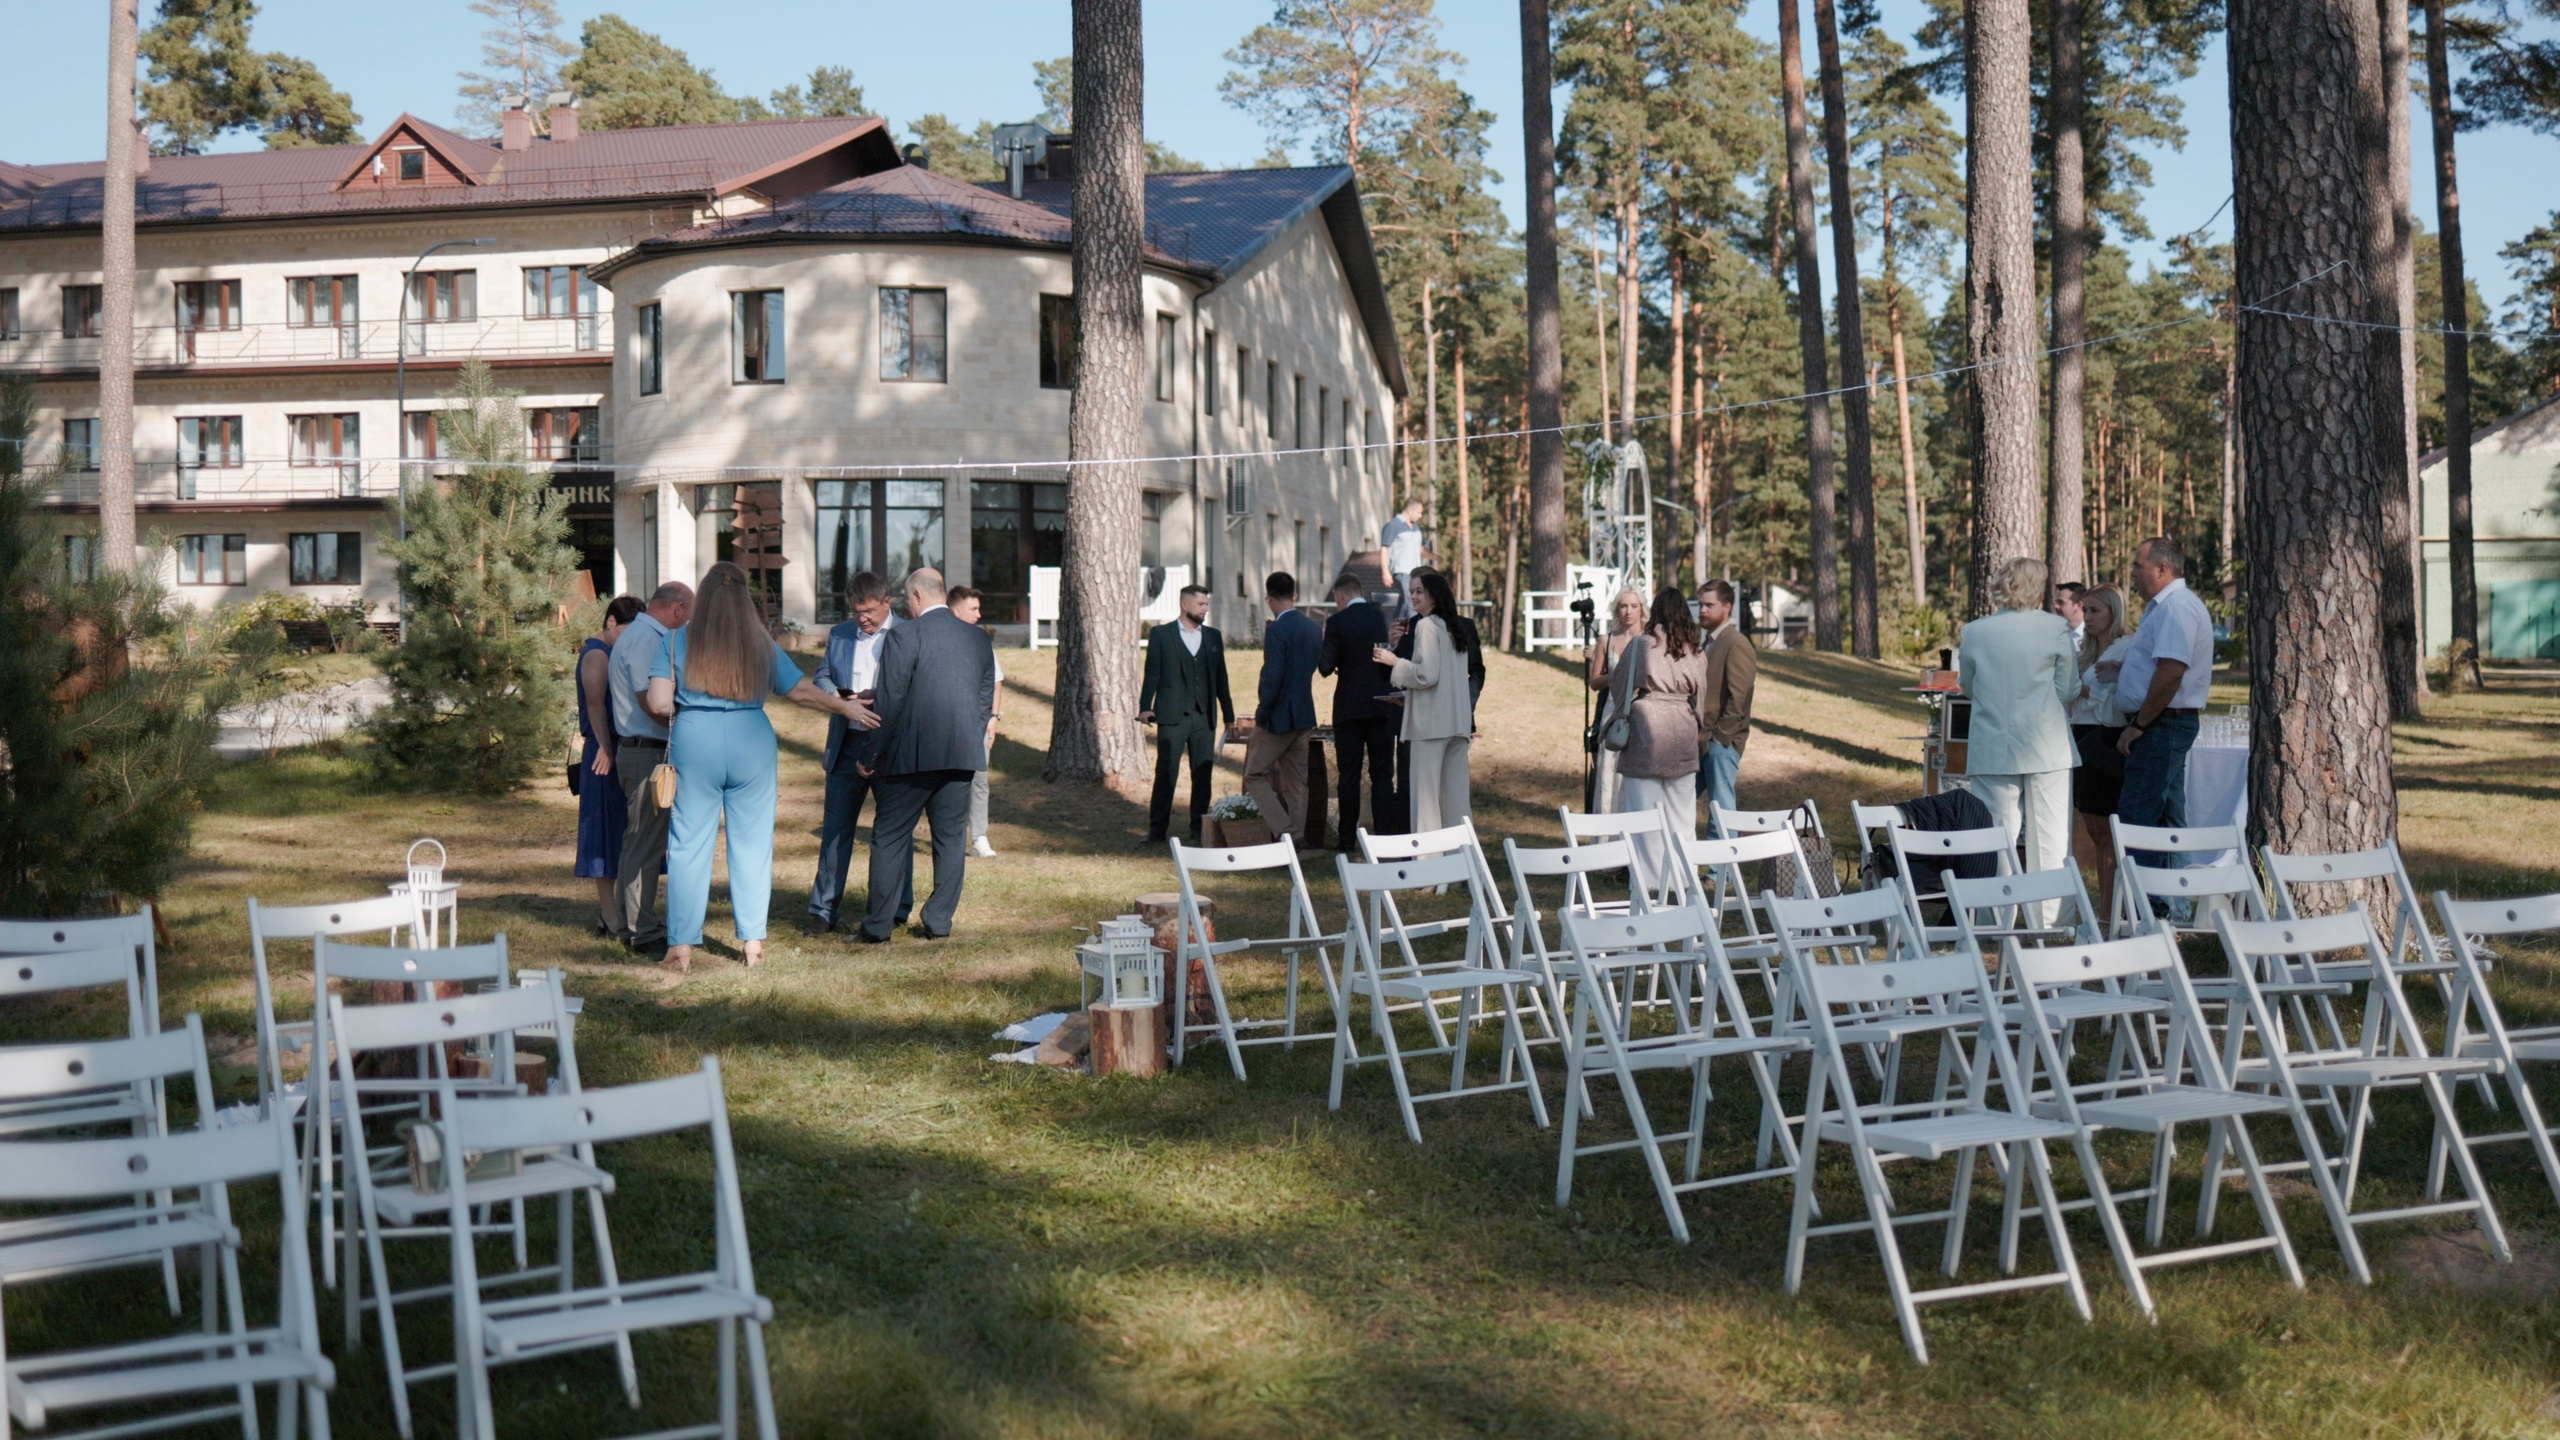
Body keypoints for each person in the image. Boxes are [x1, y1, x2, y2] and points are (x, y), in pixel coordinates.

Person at [647, 563, 871, 973]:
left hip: (696, 741)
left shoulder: (676, 640)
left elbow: (660, 703)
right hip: (752, 740)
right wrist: (844, 705)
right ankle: (752, 942)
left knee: (688, 844)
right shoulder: (761, 643)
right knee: (751, 843)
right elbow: (800, 690)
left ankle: (680, 947)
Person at [859, 568, 998, 943]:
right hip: (961, 753)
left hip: (909, 756)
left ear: (917, 597)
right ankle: (939, 922)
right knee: (951, 839)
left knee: (889, 838)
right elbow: (985, 696)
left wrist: (873, 751)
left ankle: (877, 928)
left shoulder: (905, 633)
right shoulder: (976, 637)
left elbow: (891, 698)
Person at [1957, 556, 2080, 905]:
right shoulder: (2055, 628)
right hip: (2047, 744)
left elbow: (1968, 686)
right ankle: (2052, 918)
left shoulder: (1974, 631)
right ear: (2037, 588)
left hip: (1993, 742)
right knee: (2051, 836)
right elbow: (2069, 689)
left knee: (1997, 837)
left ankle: (1995, 917)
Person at [804, 570, 908, 936]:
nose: (862, 618)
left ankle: (897, 906)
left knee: (894, 832)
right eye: (856, 612)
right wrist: (836, 696)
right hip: (847, 743)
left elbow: (912, 685)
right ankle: (822, 910)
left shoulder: (907, 634)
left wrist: (875, 698)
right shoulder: (840, 635)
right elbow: (822, 677)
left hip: (891, 744)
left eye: (869, 611)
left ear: (887, 603)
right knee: (836, 829)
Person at [2114, 536, 2216, 866]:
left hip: (2161, 723)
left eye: (2138, 566)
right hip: (2162, 721)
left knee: (2139, 814)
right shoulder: (2167, 606)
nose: (2133, 573)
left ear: (2162, 568)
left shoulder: (2176, 607)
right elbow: (2162, 665)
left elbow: (2171, 671)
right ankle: (2168, 902)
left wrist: (2139, 724)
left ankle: (2149, 906)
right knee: (2165, 816)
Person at [608, 580, 693, 954]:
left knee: (638, 842)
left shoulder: (639, 633)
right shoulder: (647, 639)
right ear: (677, 609)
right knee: (645, 842)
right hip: (648, 750)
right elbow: (650, 702)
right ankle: (640, 928)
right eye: (688, 614)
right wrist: (690, 721)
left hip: (640, 748)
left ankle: (631, 922)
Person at [1614, 586, 1713, 882]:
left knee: (1644, 816)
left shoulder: (1642, 645)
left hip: (1646, 731)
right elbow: (1702, 696)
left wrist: (1621, 714)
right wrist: (1694, 720)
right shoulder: (1695, 651)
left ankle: (1648, 883)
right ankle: (1684, 881)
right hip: (1682, 732)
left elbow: (1620, 684)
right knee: (1682, 816)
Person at [1379, 568, 1473, 833]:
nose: (1414, 597)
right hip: (1456, 724)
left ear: (1434, 595)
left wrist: (1395, 662)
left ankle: (1429, 865)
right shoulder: (1454, 627)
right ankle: (1462, 860)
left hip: (1431, 726)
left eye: (1419, 591)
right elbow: (1447, 679)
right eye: (1411, 592)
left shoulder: (1427, 626)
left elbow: (1426, 675)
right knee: (1457, 803)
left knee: (1426, 804)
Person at [1138, 584, 1233, 845]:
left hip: (1204, 717)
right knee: (1166, 772)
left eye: (1206, 604)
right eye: (1201, 604)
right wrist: (1145, 706)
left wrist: (1229, 716)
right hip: (1172, 716)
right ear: (1185, 605)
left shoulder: (1213, 637)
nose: (1206, 609)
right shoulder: (1161, 634)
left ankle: (1198, 828)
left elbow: (1221, 678)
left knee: (1202, 774)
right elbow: (1152, 673)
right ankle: (1157, 830)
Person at [575, 596, 643, 937]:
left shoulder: (618, 651)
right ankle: (610, 915)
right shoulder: (597, 654)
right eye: (626, 631)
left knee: (628, 832)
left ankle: (629, 911)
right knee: (604, 832)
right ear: (611, 622)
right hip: (605, 752)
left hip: (622, 746)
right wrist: (604, 747)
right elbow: (594, 703)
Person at [2068, 584, 2136, 919]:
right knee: (2094, 830)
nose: (2088, 617)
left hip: (2105, 737)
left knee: (2110, 829)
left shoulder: (2126, 648)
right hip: (2080, 735)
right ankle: (2106, 905)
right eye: (2086, 610)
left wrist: (2079, 690)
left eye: (2096, 611)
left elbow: (2121, 699)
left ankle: (2113, 910)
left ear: (2113, 611)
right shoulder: (2087, 649)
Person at [1319, 572, 1399, 847]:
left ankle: (1345, 840)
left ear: (1341, 596)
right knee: (1382, 774)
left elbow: (1325, 667)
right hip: (1380, 704)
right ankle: (1385, 837)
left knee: (1349, 775)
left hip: (1349, 708)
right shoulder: (1379, 618)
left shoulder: (1336, 622)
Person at [1245, 571, 1321, 846]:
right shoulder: (1314, 628)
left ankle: (1285, 830)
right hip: (1304, 712)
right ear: (1295, 596)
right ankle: (1298, 837)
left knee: (1254, 774)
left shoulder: (1276, 629)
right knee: (1297, 782)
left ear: (1269, 598)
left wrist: (1263, 711)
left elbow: (1272, 676)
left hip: (1278, 716)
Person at [1694, 579, 1757, 823]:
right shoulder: (1708, 643)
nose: (1702, 610)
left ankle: (1724, 862)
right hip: (1700, 741)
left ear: (1727, 607)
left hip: (1720, 744)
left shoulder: (1736, 643)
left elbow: (1739, 698)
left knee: (1721, 815)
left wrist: (1720, 739)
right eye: (1700, 605)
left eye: (1709, 605)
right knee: (1681, 803)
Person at [949, 587, 1005, 858]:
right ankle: (952, 837)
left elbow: (996, 679)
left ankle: (979, 837)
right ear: (956, 611)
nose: (979, 614)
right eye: (974, 609)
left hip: (978, 722)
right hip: (946, 723)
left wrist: (993, 718)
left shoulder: (980, 640)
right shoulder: (941, 639)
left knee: (979, 779)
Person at [1586, 588, 1646, 813]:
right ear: (1616, 609)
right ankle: (1606, 835)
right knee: (1609, 770)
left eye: (1633, 606)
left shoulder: (1650, 639)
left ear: (1642, 609)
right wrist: (1615, 676)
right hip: (1612, 710)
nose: (1628, 611)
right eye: (1623, 606)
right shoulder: (1606, 640)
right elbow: (1594, 682)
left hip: (1642, 709)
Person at [1378, 497, 1431, 617]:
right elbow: (1384, 549)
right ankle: (1414, 631)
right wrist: (1385, 571)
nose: (1420, 516)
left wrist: (1434, 557)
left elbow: (1420, 549)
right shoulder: (1393, 526)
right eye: (1419, 512)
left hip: (1416, 572)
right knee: (1412, 601)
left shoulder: (1416, 527)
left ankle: (1397, 630)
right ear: (1410, 510)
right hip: (1402, 571)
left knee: (1405, 603)